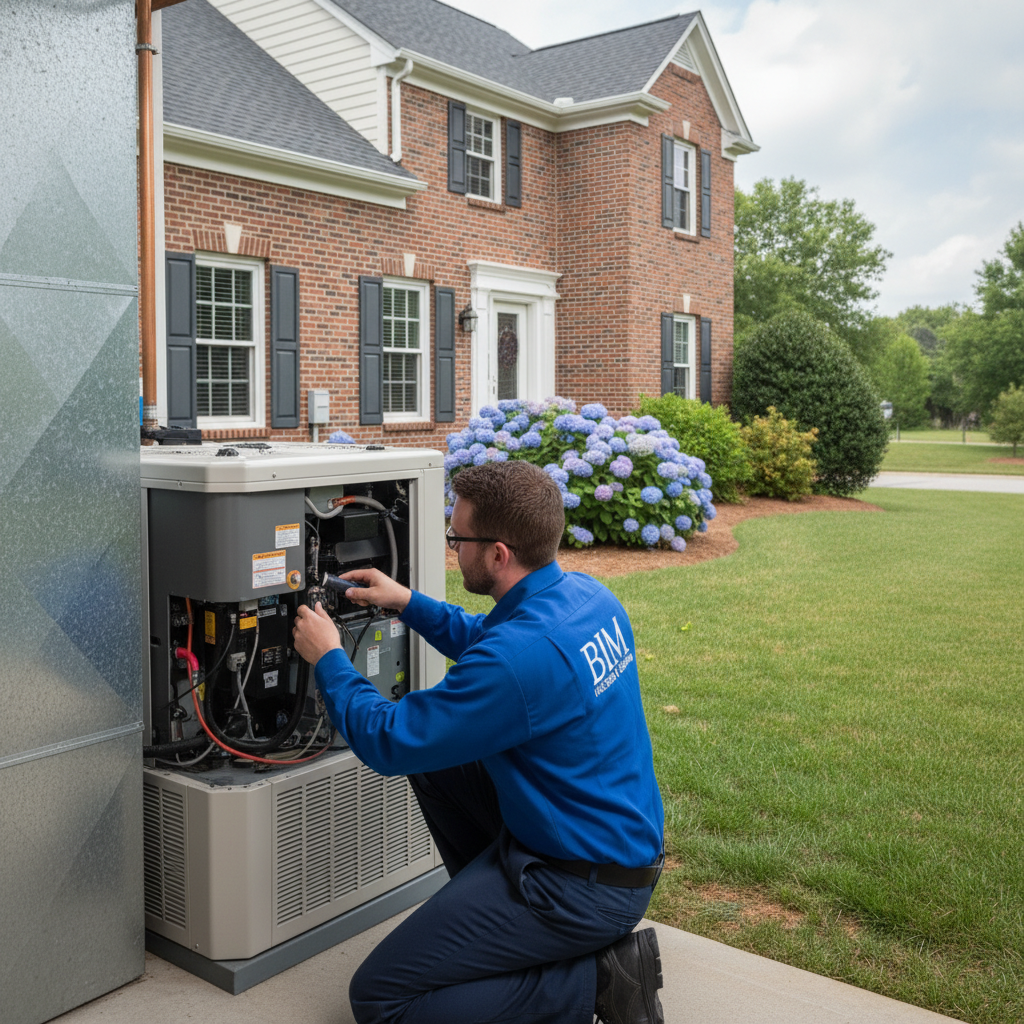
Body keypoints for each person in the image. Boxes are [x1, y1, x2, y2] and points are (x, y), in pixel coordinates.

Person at [292, 460, 665, 1024]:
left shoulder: (517, 662)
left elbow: (390, 741)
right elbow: (489, 641)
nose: (452, 547)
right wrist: (406, 602)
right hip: (611, 847)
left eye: (456, 537)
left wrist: (331, 660)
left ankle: (598, 980)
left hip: (580, 887)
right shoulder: (587, 598)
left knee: (381, 999)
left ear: (497, 554)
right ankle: (495, 924)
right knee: (440, 766)